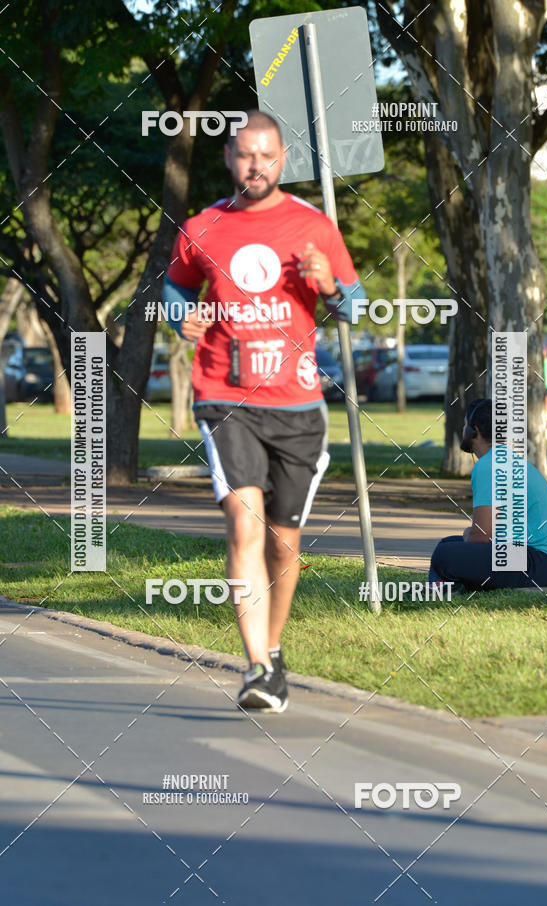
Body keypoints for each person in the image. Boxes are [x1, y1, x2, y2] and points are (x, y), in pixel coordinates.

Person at [162, 110, 364, 713]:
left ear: (283, 160)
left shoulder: (314, 227)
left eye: (267, 155)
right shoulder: (201, 227)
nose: (256, 165)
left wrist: (328, 284)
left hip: (299, 404)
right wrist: (181, 316)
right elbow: (174, 287)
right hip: (226, 396)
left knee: (283, 543)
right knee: (244, 527)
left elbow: (354, 306)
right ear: (229, 159)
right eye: (245, 154)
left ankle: (273, 654)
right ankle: (253, 668)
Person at [429, 398, 547, 590]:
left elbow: (482, 536)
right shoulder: (504, 459)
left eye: (465, 424)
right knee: (449, 544)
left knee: (444, 554)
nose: (463, 429)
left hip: (534, 562)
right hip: (541, 563)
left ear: (473, 430)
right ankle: (448, 587)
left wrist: (469, 535)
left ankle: (441, 590)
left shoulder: (488, 465)